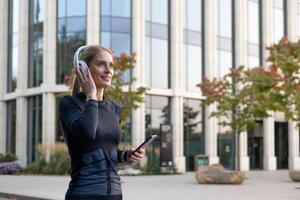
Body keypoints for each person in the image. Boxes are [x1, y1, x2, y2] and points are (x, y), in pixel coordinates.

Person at [58, 45, 144, 200]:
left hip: (115, 194)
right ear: (83, 69)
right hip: (84, 194)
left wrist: (126, 155)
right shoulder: (70, 104)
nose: (108, 70)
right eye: (101, 64)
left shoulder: (114, 109)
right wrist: (91, 94)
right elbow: (87, 134)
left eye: (111, 65)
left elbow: (105, 151)